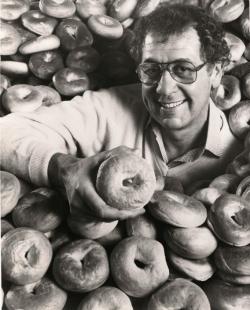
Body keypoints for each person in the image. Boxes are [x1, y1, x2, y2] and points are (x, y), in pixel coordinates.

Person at [0, 4, 243, 221]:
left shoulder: (241, 157)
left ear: (216, 72)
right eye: (151, 69)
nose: (164, 88)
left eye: (183, 69)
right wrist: (63, 169)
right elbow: (5, 130)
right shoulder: (112, 108)